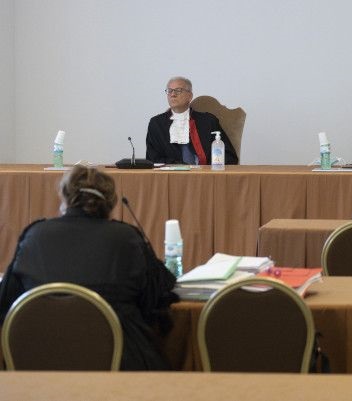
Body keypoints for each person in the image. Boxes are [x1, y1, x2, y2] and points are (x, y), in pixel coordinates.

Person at [0, 165, 179, 370]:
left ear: (65, 198)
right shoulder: (126, 237)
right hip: (121, 366)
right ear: (110, 202)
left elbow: (6, 300)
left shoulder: (34, 235)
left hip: (38, 364)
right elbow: (158, 296)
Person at [146, 76, 238, 165]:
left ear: (190, 96)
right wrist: (179, 165)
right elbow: (152, 159)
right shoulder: (156, 124)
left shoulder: (208, 121)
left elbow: (228, 156)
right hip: (172, 177)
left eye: (178, 90)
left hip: (205, 176)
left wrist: (209, 170)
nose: (173, 94)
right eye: (169, 91)